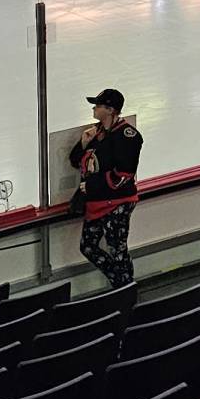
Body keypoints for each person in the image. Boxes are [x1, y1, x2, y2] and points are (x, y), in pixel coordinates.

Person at [68, 88, 142, 286]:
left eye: (98, 105)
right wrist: (83, 143)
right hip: (97, 202)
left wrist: (90, 186)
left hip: (117, 203)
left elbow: (123, 176)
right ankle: (120, 281)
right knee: (88, 246)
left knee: (117, 249)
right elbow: (76, 161)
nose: (94, 108)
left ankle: (126, 289)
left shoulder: (128, 136)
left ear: (110, 110)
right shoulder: (97, 132)